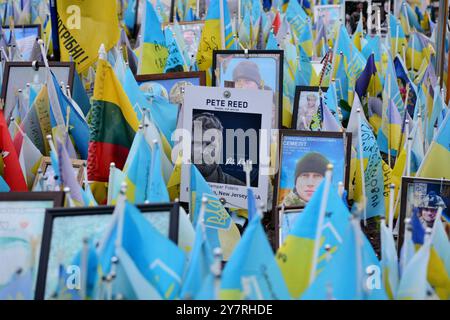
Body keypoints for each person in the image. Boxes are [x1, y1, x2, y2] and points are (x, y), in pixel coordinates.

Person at [191, 112, 245, 186]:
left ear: (220, 147)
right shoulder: (176, 183)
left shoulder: (242, 188)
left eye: (209, 144)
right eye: (197, 144)